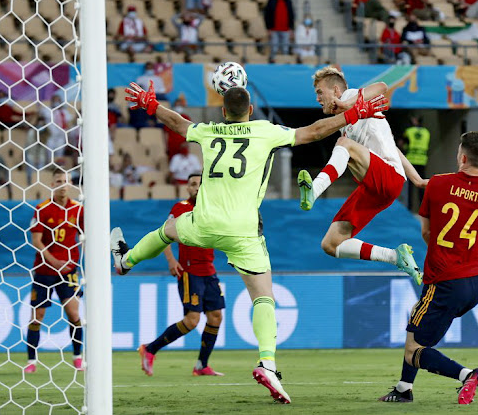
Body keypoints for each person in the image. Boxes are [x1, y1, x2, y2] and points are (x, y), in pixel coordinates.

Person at [115, 80, 389, 404]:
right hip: (243, 231)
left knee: (169, 228)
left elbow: (178, 123)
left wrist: (151, 106)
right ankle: (268, 364)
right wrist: (354, 113)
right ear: (250, 110)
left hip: (203, 223)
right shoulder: (265, 130)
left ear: (222, 111)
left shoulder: (208, 131)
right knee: (263, 297)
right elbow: (314, 131)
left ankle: (126, 260)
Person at [378, 132, 478, 404]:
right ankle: (403, 388)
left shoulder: (438, 184)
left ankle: (468, 374)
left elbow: (426, 232)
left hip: (444, 280)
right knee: (416, 317)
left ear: (462, 157)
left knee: (414, 350)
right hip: (475, 283)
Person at [297, 66, 424, 285]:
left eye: (320, 92)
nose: (317, 98)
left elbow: (382, 86)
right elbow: (394, 148)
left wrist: (348, 104)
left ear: (336, 90)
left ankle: (314, 190)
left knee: (344, 145)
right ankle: (396, 256)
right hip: (375, 189)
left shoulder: (351, 97)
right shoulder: (346, 121)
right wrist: (418, 180)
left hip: (387, 178)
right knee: (331, 244)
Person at [139, 174, 225, 377]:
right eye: (193, 184)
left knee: (215, 316)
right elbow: (162, 235)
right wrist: (171, 260)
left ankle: (201, 365)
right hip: (189, 271)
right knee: (192, 320)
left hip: (209, 270)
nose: (196, 187)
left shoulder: (213, 207)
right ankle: (150, 349)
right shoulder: (181, 208)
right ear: (187, 188)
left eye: (200, 184)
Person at [24, 168, 84, 373]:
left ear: (70, 184)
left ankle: (77, 357)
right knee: (37, 315)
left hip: (68, 271)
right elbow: (36, 241)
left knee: (73, 313)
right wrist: (54, 261)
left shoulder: (77, 209)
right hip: (44, 271)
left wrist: (82, 264)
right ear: (52, 185)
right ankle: (31, 361)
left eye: (66, 181)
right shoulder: (42, 209)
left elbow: (85, 237)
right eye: (58, 181)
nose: (63, 185)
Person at [402, 115, 430, 210]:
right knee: (422, 185)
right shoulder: (426, 132)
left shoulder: (409, 131)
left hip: (411, 161)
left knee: (410, 187)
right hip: (422, 161)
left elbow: (403, 144)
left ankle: (409, 208)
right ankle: (422, 207)